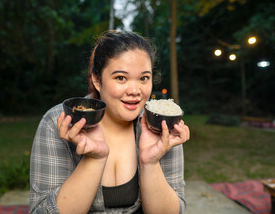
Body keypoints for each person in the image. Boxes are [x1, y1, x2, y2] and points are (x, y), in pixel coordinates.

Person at [29, 30, 190, 214]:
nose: (135, 90)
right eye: (121, 78)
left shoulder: (162, 124)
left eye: (144, 78)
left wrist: (150, 163)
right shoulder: (60, 120)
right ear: (97, 80)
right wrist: (94, 158)